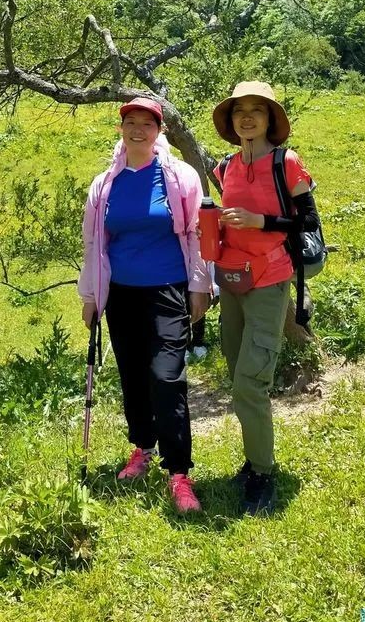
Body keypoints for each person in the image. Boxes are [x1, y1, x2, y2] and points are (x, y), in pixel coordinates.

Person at [78, 97, 211, 514]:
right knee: (133, 374)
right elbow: (94, 244)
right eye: (130, 122)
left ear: (159, 131)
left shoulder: (179, 176)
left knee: (166, 376)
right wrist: (91, 296)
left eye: (146, 123)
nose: (138, 130)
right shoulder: (105, 184)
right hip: (120, 293)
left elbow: (194, 234)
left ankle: (179, 473)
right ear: (121, 129)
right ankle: (142, 448)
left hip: (167, 289)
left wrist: (201, 286)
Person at [211, 81, 320, 516]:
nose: (248, 117)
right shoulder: (225, 168)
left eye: (258, 110)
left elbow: (308, 221)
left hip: (270, 281)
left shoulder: (286, 163)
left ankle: (262, 473)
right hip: (233, 280)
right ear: (232, 120)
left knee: (249, 381)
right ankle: (253, 460)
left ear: (271, 119)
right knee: (238, 372)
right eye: (241, 111)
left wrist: (261, 221)